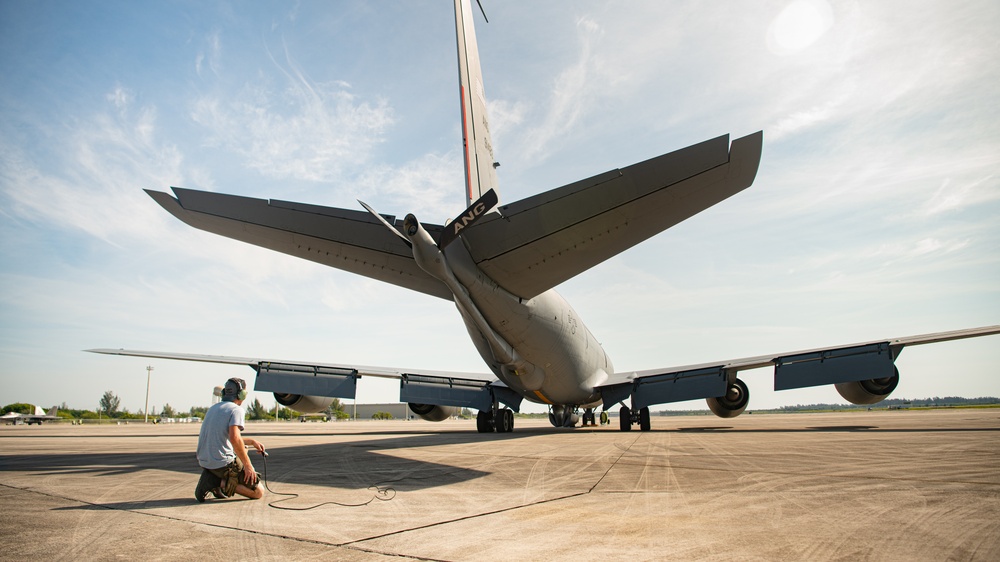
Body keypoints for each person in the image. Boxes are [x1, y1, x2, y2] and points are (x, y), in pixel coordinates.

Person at [194, 377, 266, 502]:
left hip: (205, 460)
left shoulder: (213, 408)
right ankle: (217, 481)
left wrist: (252, 442)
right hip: (221, 462)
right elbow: (234, 438)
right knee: (258, 492)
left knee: (244, 448)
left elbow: (226, 437)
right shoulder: (236, 410)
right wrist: (249, 467)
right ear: (241, 394)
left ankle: (213, 476)